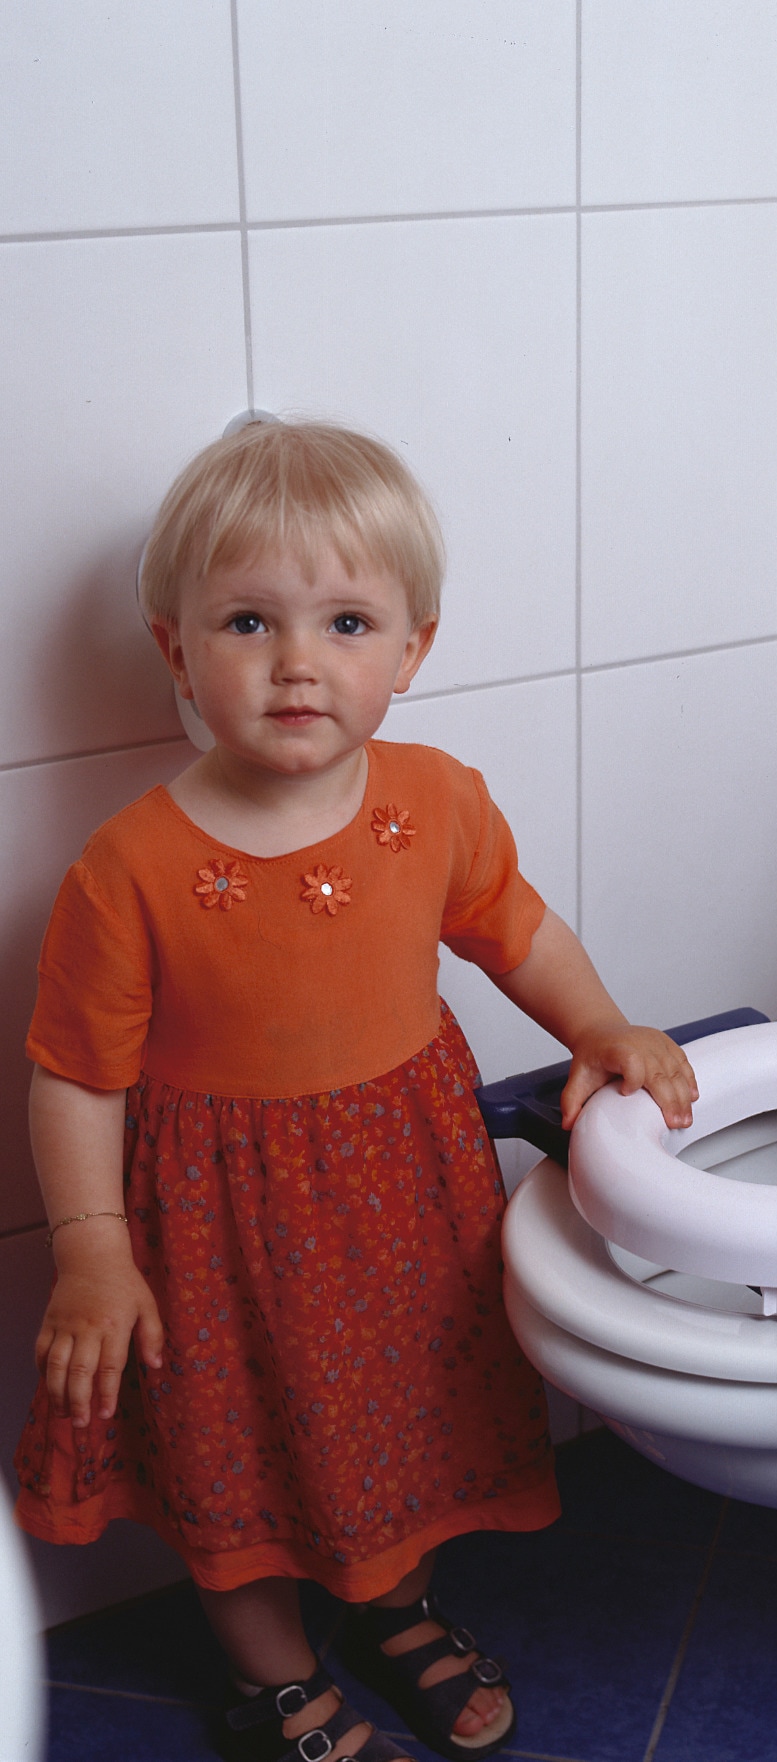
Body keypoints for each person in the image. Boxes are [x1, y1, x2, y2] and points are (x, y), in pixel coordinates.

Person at [13, 420, 698, 1762]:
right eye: (249, 622)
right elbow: (75, 1079)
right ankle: (274, 1678)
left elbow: (516, 930)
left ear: (411, 649)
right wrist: (93, 1252)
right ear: (176, 651)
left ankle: (396, 1604)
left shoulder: (435, 801)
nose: (298, 662)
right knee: (231, 1453)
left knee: (404, 1421)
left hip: (400, 1201)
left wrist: (601, 1023)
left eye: (345, 622)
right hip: (217, 1237)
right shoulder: (129, 869)